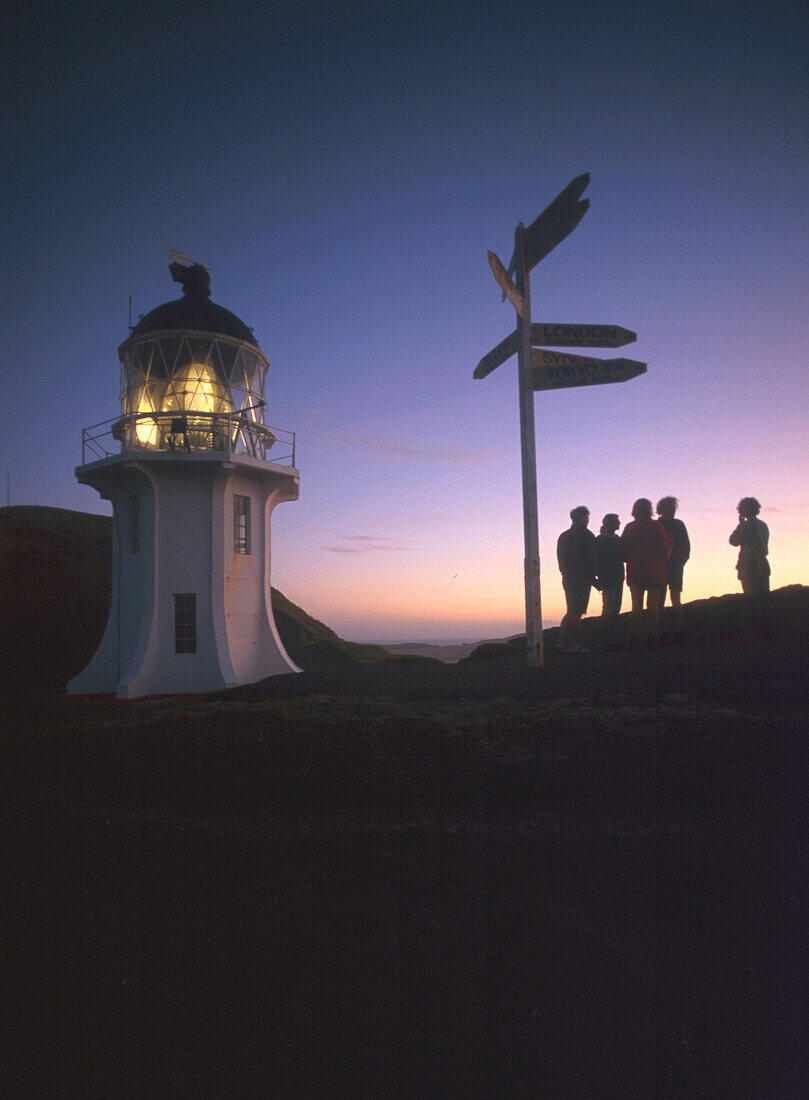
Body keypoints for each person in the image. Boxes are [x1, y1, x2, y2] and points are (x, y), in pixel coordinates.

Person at [620, 498, 673, 648]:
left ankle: (634, 637)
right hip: (655, 570)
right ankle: (653, 636)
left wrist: (629, 559)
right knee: (653, 605)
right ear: (649, 509)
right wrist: (662, 560)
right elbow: (667, 546)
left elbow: (622, 549)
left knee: (636, 606)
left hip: (635, 571)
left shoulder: (630, 527)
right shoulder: (657, 526)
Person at [556, 506, 597, 653]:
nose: (588, 520)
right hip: (583, 579)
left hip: (568, 578)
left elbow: (561, 559)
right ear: (582, 518)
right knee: (577, 611)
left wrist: (565, 573)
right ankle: (572, 643)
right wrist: (594, 577)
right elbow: (592, 558)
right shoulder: (587, 536)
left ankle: (561, 641)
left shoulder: (564, 536)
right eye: (587, 518)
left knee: (571, 610)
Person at [729, 497, 770, 628]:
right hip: (762, 563)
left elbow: (733, 541)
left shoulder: (747, 526)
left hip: (748, 564)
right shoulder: (763, 525)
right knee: (763, 597)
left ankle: (755, 628)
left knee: (751, 598)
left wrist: (740, 526)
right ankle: (764, 627)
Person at [656, 496, 690, 641]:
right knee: (661, 599)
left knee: (673, 598)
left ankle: (675, 630)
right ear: (663, 509)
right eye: (671, 508)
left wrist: (683, 559)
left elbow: (686, 545)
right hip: (663, 565)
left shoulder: (665, 524)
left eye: (674, 508)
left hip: (672, 565)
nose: (673, 511)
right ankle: (662, 630)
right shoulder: (659, 525)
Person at [594, 513, 624, 647]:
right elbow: (595, 560)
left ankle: (610, 636)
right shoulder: (601, 540)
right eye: (616, 521)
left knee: (614, 607)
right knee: (609, 608)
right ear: (608, 523)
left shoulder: (616, 538)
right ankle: (606, 637)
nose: (619, 523)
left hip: (617, 577)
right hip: (608, 578)